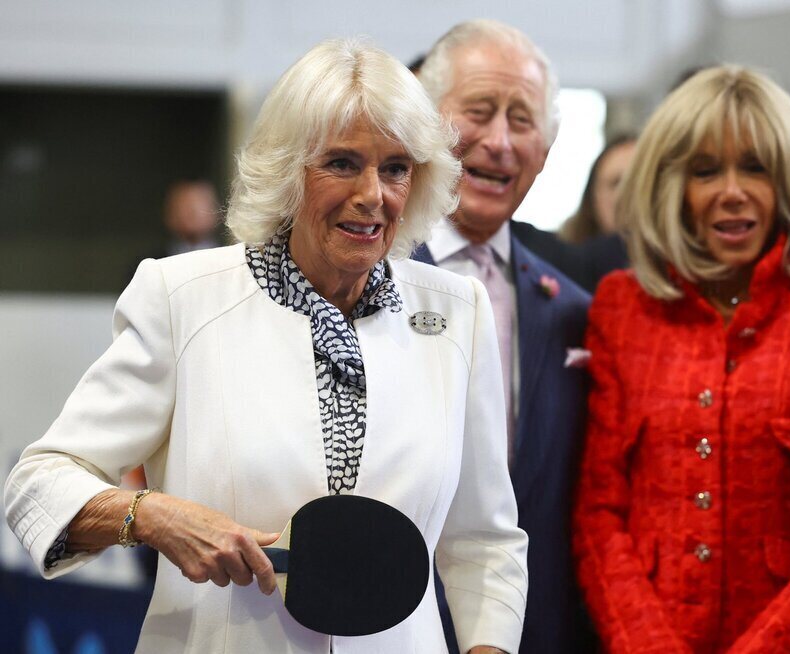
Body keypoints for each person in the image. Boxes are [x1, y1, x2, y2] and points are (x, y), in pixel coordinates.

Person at [4, 39, 527, 654]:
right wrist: (153, 517)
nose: (373, 194)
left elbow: (484, 542)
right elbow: (38, 481)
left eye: (395, 167)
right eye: (340, 162)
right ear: (286, 169)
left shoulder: (456, 312)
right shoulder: (183, 297)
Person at [573, 65, 790, 653]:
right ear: (671, 187)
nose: (732, 190)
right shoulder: (622, 305)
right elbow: (598, 515)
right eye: (705, 171)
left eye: (756, 167)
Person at [414, 19, 595, 654]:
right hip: (380, 622)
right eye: (480, 111)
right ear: (425, 122)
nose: (498, 142)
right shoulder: (358, 277)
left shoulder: (574, 309)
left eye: (522, 121)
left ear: (546, 148)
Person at [559, 134, 637, 244]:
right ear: (594, 197)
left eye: (638, 181)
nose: (627, 192)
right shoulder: (560, 254)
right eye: (616, 182)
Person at [161, 179, 222, 255]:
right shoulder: (153, 263)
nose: (191, 212)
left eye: (199, 203)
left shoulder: (232, 257)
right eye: (183, 205)